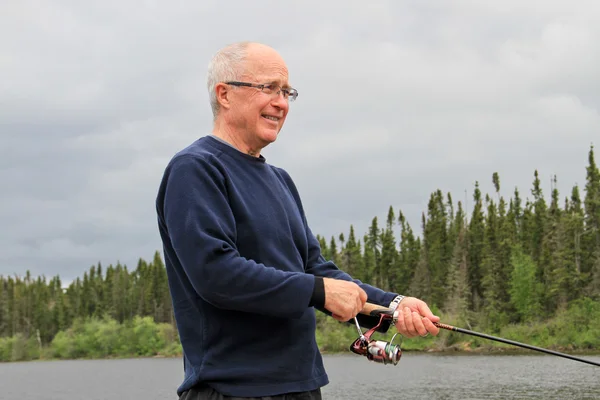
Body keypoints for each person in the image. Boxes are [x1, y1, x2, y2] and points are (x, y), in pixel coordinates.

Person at [155, 41, 440, 400]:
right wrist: (318, 290)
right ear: (224, 95)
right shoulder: (195, 168)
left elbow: (315, 269)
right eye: (268, 88)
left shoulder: (281, 180)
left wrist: (394, 306)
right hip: (232, 389)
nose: (281, 102)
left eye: (287, 91)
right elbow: (216, 275)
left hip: (302, 386)